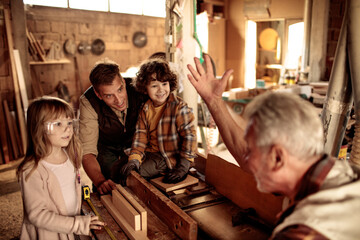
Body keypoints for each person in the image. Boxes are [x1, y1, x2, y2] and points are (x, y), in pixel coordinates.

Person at [187, 55, 360, 239]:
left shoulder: (302, 232)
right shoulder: (337, 172)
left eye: (251, 151)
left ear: (278, 158)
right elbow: (245, 155)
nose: (245, 157)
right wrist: (214, 102)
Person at [17, 96, 104, 240]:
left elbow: (71, 185)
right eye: (57, 123)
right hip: (48, 234)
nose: (67, 129)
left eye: (69, 122)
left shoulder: (69, 155)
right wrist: (77, 224)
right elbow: (37, 215)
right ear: (39, 128)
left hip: (70, 228)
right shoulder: (32, 169)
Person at [120, 58, 197, 184]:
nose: (161, 90)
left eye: (164, 84)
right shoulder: (145, 108)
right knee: (119, 168)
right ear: (145, 88)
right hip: (149, 153)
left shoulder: (179, 107)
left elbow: (190, 136)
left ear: (170, 84)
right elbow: (141, 136)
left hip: (168, 156)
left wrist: (183, 166)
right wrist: (134, 159)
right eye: (154, 86)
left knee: (134, 176)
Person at [79, 59, 147, 194]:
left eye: (120, 89)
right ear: (98, 94)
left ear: (122, 80)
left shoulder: (139, 89)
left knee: (139, 182)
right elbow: (87, 152)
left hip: (137, 144)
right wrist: (100, 181)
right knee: (109, 187)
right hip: (106, 148)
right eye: (109, 96)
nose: (119, 99)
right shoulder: (88, 102)